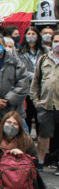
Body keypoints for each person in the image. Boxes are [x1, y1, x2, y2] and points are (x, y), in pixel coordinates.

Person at [29, 31, 59, 172]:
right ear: (52, 42)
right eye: (56, 41)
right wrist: (36, 100)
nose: (58, 44)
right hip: (46, 104)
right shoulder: (43, 59)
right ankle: (40, 162)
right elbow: (35, 82)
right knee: (43, 135)